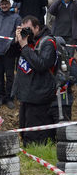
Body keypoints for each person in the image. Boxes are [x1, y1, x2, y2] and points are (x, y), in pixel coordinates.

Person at [14, 16, 57, 145]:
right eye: (23, 29)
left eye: (28, 29)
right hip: (27, 94)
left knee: (36, 134)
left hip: (39, 95)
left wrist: (25, 47)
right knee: (24, 128)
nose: (26, 32)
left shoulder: (48, 42)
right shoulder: (28, 41)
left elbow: (42, 64)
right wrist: (17, 41)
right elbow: (8, 56)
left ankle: (38, 152)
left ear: (37, 28)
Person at [0, 0, 22, 108]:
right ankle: (1, 96)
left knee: (10, 75)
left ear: (9, 4)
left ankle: (10, 97)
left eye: (6, 3)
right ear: (0, 5)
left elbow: (18, 31)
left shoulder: (16, 17)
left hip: (10, 50)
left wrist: (12, 43)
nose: (4, 6)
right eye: (2, 4)